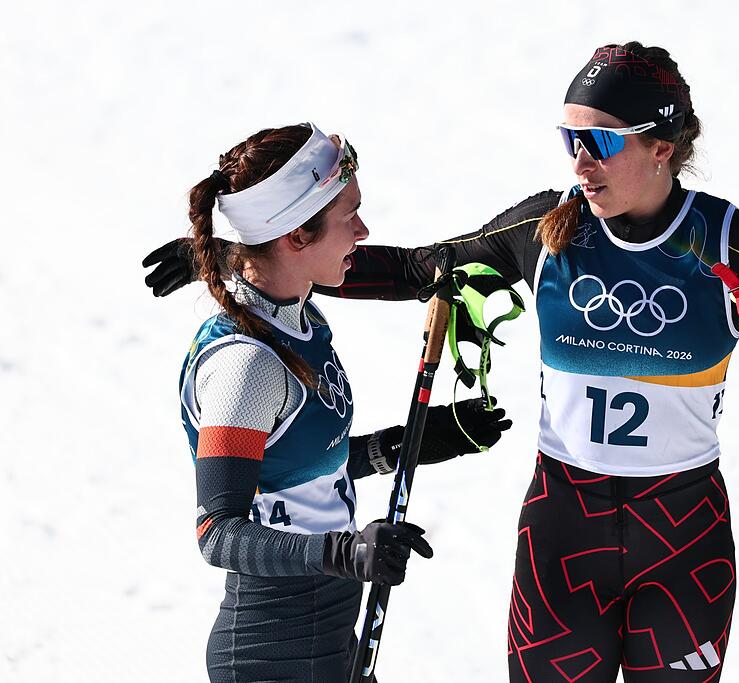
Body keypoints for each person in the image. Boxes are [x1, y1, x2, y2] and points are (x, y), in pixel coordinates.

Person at [145, 44, 739, 682]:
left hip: (681, 534)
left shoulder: (730, 242)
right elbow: (417, 269)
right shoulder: (547, 226)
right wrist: (238, 252)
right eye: (570, 140)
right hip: (565, 529)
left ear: (662, 147)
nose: (579, 162)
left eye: (599, 142)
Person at [167, 122, 511, 683]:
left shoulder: (302, 321)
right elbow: (219, 533)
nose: (363, 231)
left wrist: (404, 445)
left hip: (332, 643)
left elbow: (299, 479)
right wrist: (345, 553)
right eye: (349, 216)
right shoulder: (244, 364)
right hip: (269, 658)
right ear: (296, 236)